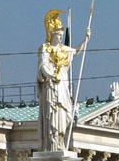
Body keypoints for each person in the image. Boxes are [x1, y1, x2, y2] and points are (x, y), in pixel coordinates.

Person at [37, 9, 90, 152]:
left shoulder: (64, 50)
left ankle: (60, 142)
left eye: (61, 35)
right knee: (52, 115)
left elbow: (77, 51)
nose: (60, 37)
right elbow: (42, 66)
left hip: (62, 85)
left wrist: (85, 39)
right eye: (58, 35)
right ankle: (52, 145)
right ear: (52, 34)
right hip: (51, 86)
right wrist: (52, 76)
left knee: (64, 114)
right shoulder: (45, 48)